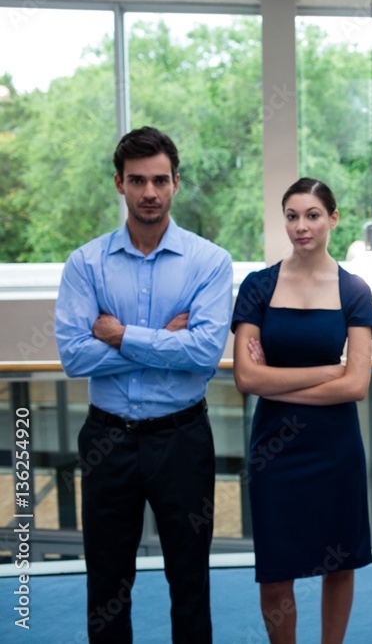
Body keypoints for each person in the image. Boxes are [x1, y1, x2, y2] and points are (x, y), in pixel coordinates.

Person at [54, 126, 233, 643]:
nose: (149, 192)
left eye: (159, 180)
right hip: (107, 440)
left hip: (182, 440)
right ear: (119, 184)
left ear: (176, 183)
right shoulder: (85, 264)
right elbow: (73, 355)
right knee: (108, 581)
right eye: (137, 181)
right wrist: (161, 339)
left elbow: (202, 355)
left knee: (190, 579)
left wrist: (118, 334)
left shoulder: (209, 262)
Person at [231, 178, 372, 644]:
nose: (301, 226)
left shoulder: (354, 290)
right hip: (274, 450)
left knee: (339, 565)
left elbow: (356, 385)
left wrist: (278, 383)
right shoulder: (258, 286)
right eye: (292, 216)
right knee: (276, 572)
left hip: (334, 450)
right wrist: (327, 372)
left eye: (312, 215)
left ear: (333, 219)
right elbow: (246, 379)